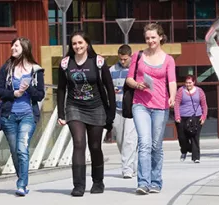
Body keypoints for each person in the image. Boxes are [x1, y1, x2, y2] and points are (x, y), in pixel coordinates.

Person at [57, 31, 116, 197]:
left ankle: (98, 181)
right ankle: (78, 185)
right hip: (74, 107)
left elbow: (109, 88)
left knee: (95, 147)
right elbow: (61, 89)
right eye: (74, 44)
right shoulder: (65, 63)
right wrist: (61, 113)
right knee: (78, 143)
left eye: (80, 43)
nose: (77, 46)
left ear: (87, 44)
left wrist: (110, 112)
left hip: (97, 107)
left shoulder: (97, 62)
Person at [125, 23, 177, 195]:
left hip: (161, 106)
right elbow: (129, 80)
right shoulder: (138, 56)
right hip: (140, 104)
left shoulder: (168, 59)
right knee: (145, 143)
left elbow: (172, 81)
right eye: (147, 38)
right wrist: (138, 85)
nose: (150, 41)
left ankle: (156, 181)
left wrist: (172, 96)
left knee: (156, 146)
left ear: (160, 37)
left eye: (153, 37)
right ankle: (143, 183)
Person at [0, 37, 45, 196]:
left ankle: (22, 184)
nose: (12, 48)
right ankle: (22, 179)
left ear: (24, 48)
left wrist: (28, 88)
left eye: (16, 46)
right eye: (12, 46)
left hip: (28, 115)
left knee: (22, 149)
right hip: (8, 116)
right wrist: (14, 93)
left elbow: (40, 95)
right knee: (15, 151)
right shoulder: (7, 68)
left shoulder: (36, 70)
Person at [109, 44, 138, 179]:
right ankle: (133, 165)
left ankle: (126, 169)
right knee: (120, 140)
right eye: (120, 59)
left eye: (125, 59)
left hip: (132, 110)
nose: (122, 61)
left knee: (129, 140)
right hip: (117, 109)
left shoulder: (136, 70)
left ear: (130, 57)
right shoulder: (111, 70)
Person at [174, 75, 207, 163]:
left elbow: (204, 105)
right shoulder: (181, 90)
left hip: (196, 116)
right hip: (182, 117)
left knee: (195, 137)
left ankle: (196, 157)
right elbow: (176, 104)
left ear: (194, 82)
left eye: (190, 83)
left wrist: (203, 117)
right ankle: (184, 150)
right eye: (186, 83)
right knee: (182, 137)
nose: (188, 84)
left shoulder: (199, 91)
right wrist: (177, 116)